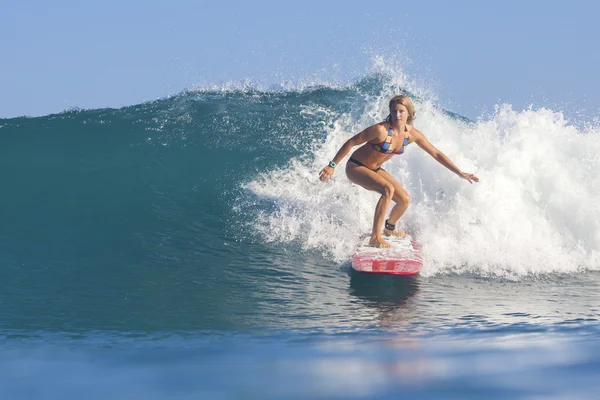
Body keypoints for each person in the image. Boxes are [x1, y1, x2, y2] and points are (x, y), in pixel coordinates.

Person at [319, 95, 479, 248]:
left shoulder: (412, 135)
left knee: (404, 199)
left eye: (401, 111)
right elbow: (352, 141)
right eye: (394, 111)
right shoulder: (380, 130)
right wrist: (332, 165)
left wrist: (459, 172)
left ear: (409, 113)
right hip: (356, 166)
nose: (397, 115)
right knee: (388, 189)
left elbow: (436, 153)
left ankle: (390, 227)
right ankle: (375, 237)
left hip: (375, 169)